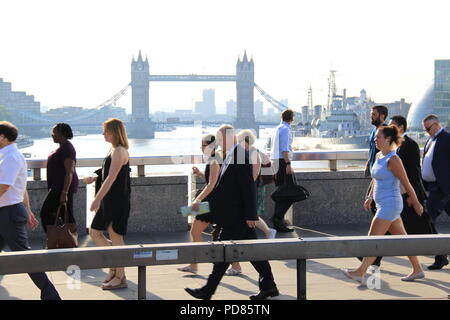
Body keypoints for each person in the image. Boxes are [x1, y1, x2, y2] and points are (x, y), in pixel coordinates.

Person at [185, 125, 279, 300]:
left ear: (230, 137)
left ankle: (207, 290)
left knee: (223, 251)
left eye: (220, 140)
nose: (218, 144)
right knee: (254, 253)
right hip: (233, 213)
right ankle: (269, 287)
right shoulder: (231, 154)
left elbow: (248, 186)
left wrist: (251, 215)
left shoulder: (239, 155)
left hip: (238, 215)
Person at [342, 125, 425, 283]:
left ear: (387, 139)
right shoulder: (380, 155)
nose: (375, 139)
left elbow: (406, 183)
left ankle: (360, 272)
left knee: (372, 239)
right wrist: (369, 196)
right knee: (403, 240)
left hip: (390, 205)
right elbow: (375, 178)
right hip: (382, 204)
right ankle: (417, 269)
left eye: (378, 137)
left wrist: (416, 203)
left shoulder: (394, 159)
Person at [0, 121, 61, 300]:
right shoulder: (7, 155)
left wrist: (25, 210)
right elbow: (21, 187)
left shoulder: (11, 157)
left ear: (3, 137)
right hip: (8, 210)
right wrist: (27, 209)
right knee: (24, 256)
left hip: (9, 213)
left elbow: (4, 186)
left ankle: (51, 295)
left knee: (25, 257)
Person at [85, 118, 131, 290]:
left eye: (105, 130)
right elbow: (110, 175)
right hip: (110, 200)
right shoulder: (113, 150)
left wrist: (96, 199)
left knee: (116, 237)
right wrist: (95, 178)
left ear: (114, 132)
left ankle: (120, 276)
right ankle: (115, 268)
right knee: (95, 232)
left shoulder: (119, 150)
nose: (103, 133)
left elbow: (112, 178)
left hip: (116, 201)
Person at [226, 129, 277, 276]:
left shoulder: (252, 153)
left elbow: (253, 176)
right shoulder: (248, 152)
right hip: (250, 190)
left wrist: (244, 191)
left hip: (252, 190)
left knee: (251, 216)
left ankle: (268, 231)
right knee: (250, 219)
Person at [177, 134, 221, 274]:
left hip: (211, 202)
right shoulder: (214, 159)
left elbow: (212, 185)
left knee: (195, 230)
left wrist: (198, 200)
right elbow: (212, 179)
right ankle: (235, 266)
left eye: (202, 145)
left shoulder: (214, 161)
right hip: (213, 201)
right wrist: (200, 173)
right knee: (224, 235)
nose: (200, 147)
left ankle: (194, 265)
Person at [388, 116, 433, 235]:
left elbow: (414, 172)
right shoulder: (394, 145)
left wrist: (412, 195)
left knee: (421, 222)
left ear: (401, 127)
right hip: (398, 192)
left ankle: (440, 248)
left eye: (392, 126)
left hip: (408, 192)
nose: (389, 128)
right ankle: (374, 251)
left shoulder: (410, 145)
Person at [360, 105, 389, 267]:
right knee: (388, 222)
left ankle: (374, 256)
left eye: (374, 115)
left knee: (381, 218)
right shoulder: (375, 131)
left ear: (382, 116)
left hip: (382, 179)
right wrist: (368, 164)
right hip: (376, 176)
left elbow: (385, 154)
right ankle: (375, 256)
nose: (371, 117)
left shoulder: (384, 131)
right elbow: (374, 152)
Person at [421, 114, 450, 270]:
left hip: (441, 188)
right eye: (425, 129)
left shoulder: (446, 138)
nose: (427, 132)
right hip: (433, 187)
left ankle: (441, 256)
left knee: (428, 220)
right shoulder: (430, 140)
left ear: (437, 125)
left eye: (428, 128)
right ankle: (441, 255)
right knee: (428, 220)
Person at [40, 123, 79, 234]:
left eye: (54, 133)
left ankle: (57, 237)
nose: (52, 135)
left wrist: (64, 193)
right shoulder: (63, 147)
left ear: (61, 134)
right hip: (58, 186)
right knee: (64, 214)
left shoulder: (67, 148)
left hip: (62, 188)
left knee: (46, 212)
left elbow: (69, 172)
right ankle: (62, 239)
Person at [270, 109, 296, 232]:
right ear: (292, 118)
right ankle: (277, 218)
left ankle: (277, 221)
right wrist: (288, 164)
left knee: (282, 192)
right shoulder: (285, 129)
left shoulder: (277, 128)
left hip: (276, 162)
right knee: (291, 192)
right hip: (282, 162)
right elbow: (284, 149)